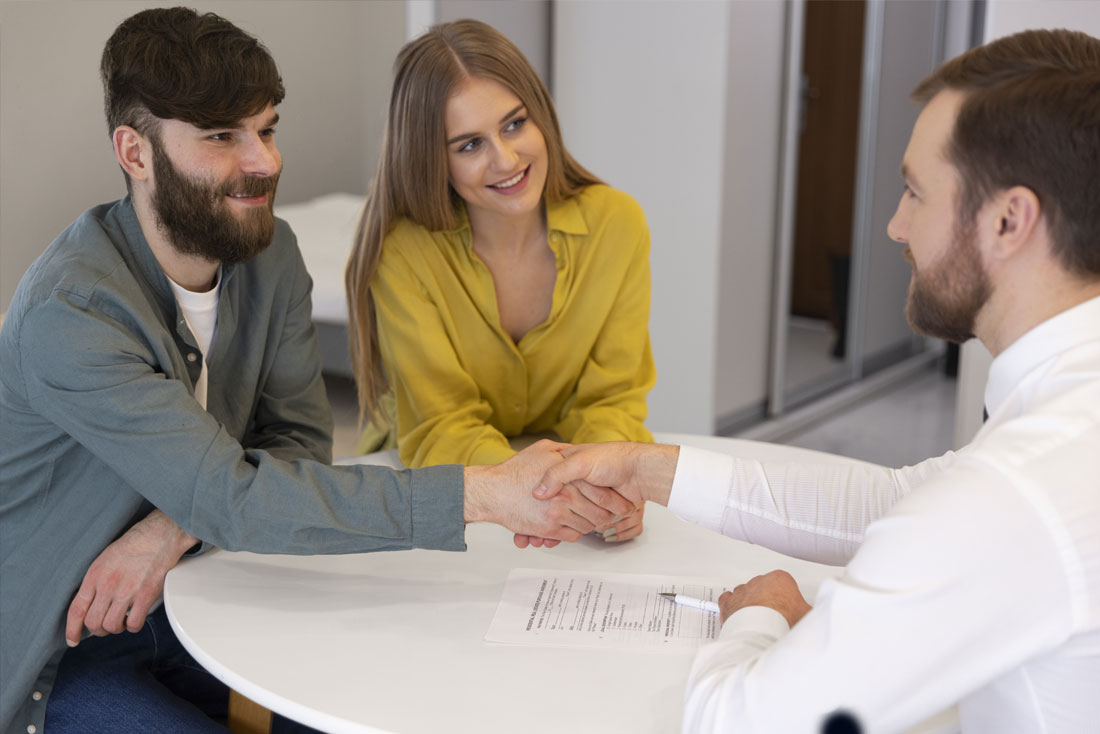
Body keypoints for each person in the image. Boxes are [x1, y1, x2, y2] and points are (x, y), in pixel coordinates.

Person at [0, 9, 633, 734]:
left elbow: (297, 447)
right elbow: (237, 499)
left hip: (205, 597)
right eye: (220, 137)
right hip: (64, 651)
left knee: (394, 700)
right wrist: (486, 493)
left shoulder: (269, 257)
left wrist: (173, 527)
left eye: (266, 129)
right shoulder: (73, 315)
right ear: (135, 153)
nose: (263, 161)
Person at [534, 28, 1100, 733]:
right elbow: (900, 501)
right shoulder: (1070, 415)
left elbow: (736, 723)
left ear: (1010, 220)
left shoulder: (1017, 495)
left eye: (916, 194)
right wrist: (650, 471)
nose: (896, 227)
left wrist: (763, 614)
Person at [345, 20, 656, 543]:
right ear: (432, 159)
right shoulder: (403, 253)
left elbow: (612, 400)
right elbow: (443, 425)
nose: (506, 159)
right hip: (442, 490)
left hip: (565, 486)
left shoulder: (616, 224)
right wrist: (547, 491)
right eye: (469, 145)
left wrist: (606, 481)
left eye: (514, 124)